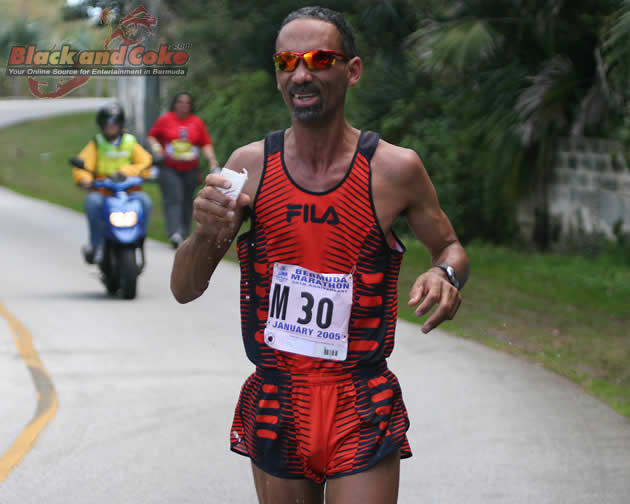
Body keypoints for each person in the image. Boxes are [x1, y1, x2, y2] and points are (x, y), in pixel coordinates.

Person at [170, 6, 469, 504]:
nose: (301, 74)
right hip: (278, 399)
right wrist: (204, 234)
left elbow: (451, 248)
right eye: (286, 62)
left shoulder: (394, 170)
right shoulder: (250, 167)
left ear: (352, 70)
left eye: (319, 59)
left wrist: (445, 274)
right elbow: (184, 289)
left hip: (360, 400)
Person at [73, 102, 153, 265]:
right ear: (101, 124)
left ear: (120, 123)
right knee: (92, 202)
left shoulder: (130, 142)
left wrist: (126, 172)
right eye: (107, 123)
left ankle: (139, 238)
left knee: (145, 202)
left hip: (129, 192)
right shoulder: (96, 143)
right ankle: (96, 245)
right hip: (104, 192)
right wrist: (84, 178)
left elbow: (145, 161)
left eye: (114, 122)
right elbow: (84, 164)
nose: (111, 126)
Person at [147, 92, 220, 248]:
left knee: (188, 200)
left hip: (190, 169)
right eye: (180, 102)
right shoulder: (166, 120)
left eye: (187, 103)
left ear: (191, 105)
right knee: (174, 197)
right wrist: (157, 150)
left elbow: (205, 143)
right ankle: (174, 233)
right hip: (169, 167)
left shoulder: (196, 122)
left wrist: (212, 160)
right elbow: (152, 136)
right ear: (175, 104)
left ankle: (185, 233)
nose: (183, 105)